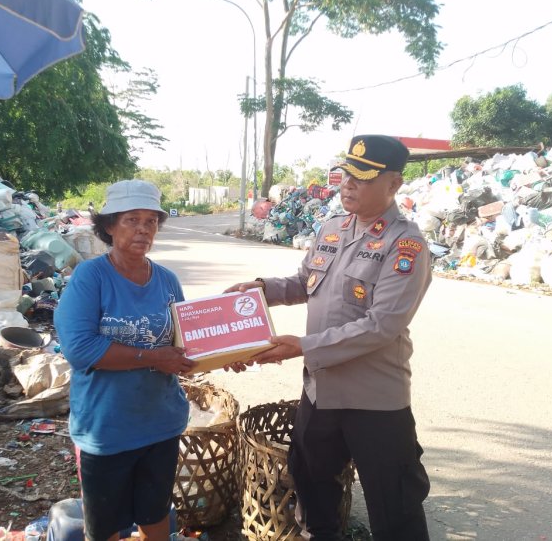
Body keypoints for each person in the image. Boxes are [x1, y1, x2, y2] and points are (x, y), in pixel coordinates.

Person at [226, 135, 432, 541]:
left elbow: (382, 325)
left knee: (395, 504)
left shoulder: (405, 244)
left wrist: (302, 346)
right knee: (311, 480)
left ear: (394, 184)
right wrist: (260, 288)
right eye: (346, 174)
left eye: (363, 177)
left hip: (373, 399)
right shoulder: (333, 228)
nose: (348, 184)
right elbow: (305, 282)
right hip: (321, 391)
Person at [54, 179, 195, 541]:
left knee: (155, 513)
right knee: (104, 527)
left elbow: (184, 343)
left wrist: (226, 353)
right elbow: (81, 348)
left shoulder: (167, 280)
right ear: (109, 226)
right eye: (132, 219)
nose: (144, 229)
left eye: (151, 221)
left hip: (161, 423)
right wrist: (154, 358)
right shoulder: (91, 277)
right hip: (106, 429)